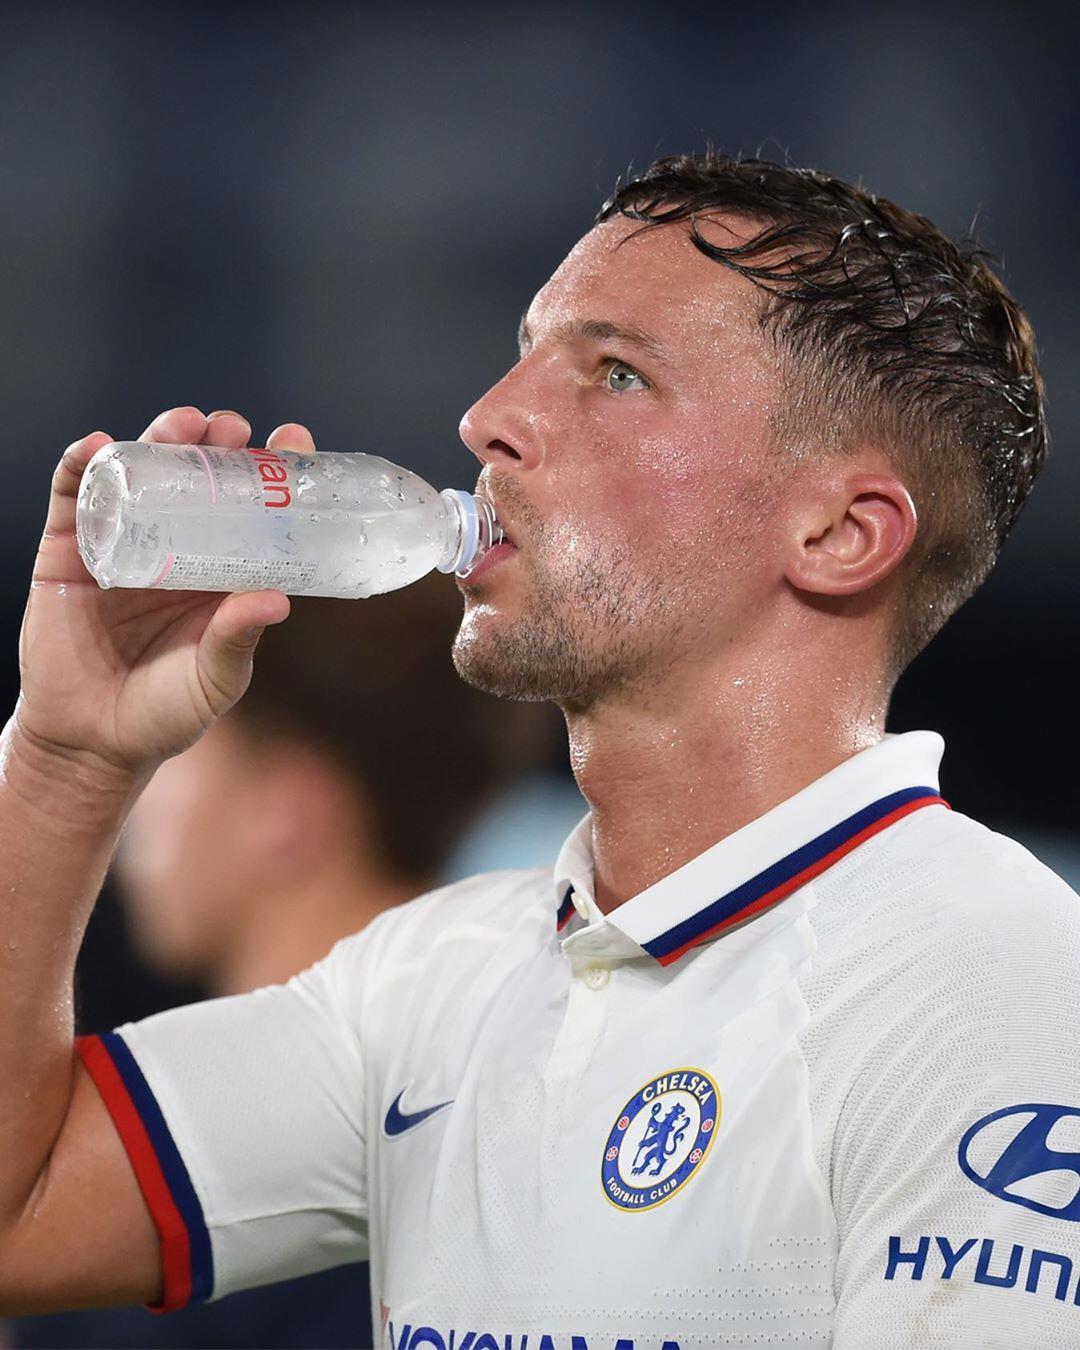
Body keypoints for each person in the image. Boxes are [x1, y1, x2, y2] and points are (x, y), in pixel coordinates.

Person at [0, 151, 1074, 1349]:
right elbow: (15, 1214)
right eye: (526, 353)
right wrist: (63, 758)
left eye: (616, 374)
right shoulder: (426, 983)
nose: (486, 418)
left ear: (837, 532)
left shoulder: (996, 981)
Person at [8, 577, 568, 1349]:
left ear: (286, 811)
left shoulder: (178, 1184)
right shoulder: (526, 1102)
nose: (139, 808)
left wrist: (59, 764)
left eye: (173, 752)